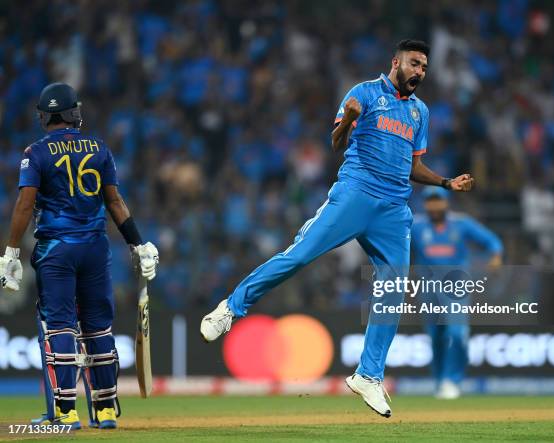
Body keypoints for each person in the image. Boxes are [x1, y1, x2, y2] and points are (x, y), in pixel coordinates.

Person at [200, 39, 474, 417]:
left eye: (424, 67)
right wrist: (348, 117)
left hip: (394, 209)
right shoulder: (363, 93)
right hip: (356, 193)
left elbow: (413, 167)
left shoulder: (419, 113)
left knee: (394, 289)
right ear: (395, 62)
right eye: (414, 64)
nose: (420, 72)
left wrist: (445, 183)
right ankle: (230, 309)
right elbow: (335, 142)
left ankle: (368, 375)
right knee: (298, 256)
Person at [0, 83, 159, 429]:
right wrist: (138, 244)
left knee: (59, 326)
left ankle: (66, 412)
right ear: (74, 112)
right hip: (95, 249)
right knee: (98, 328)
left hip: (56, 249)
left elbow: (25, 203)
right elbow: (114, 202)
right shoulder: (99, 148)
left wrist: (11, 251)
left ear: (45, 116)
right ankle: (104, 411)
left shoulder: (36, 153)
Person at [411, 186, 503, 399]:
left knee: (457, 333)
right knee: (436, 337)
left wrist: (496, 255)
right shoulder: (416, 225)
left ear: (446, 203)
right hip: (429, 290)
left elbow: (491, 240)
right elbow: (394, 240)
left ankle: (452, 380)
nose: (434, 205)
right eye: (430, 201)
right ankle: (440, 380)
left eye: (438, 201)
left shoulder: (461, 224)